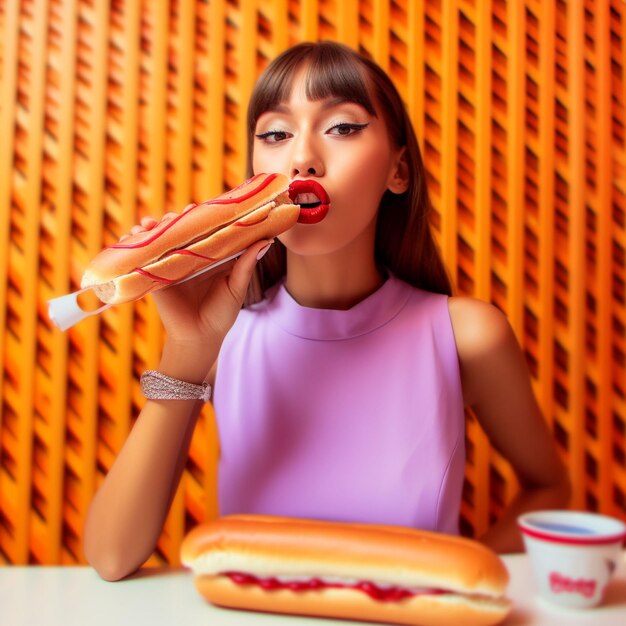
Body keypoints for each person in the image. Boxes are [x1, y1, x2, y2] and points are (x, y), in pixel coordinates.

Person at [83, 41, 570, 581]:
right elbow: (111, 556)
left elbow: (549, 490)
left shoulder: (466, 334)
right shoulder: (226, 341)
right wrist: (189, 351)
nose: (302, 157)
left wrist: (457, 573)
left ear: (398, 171)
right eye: (275, 134)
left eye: (341, 126)